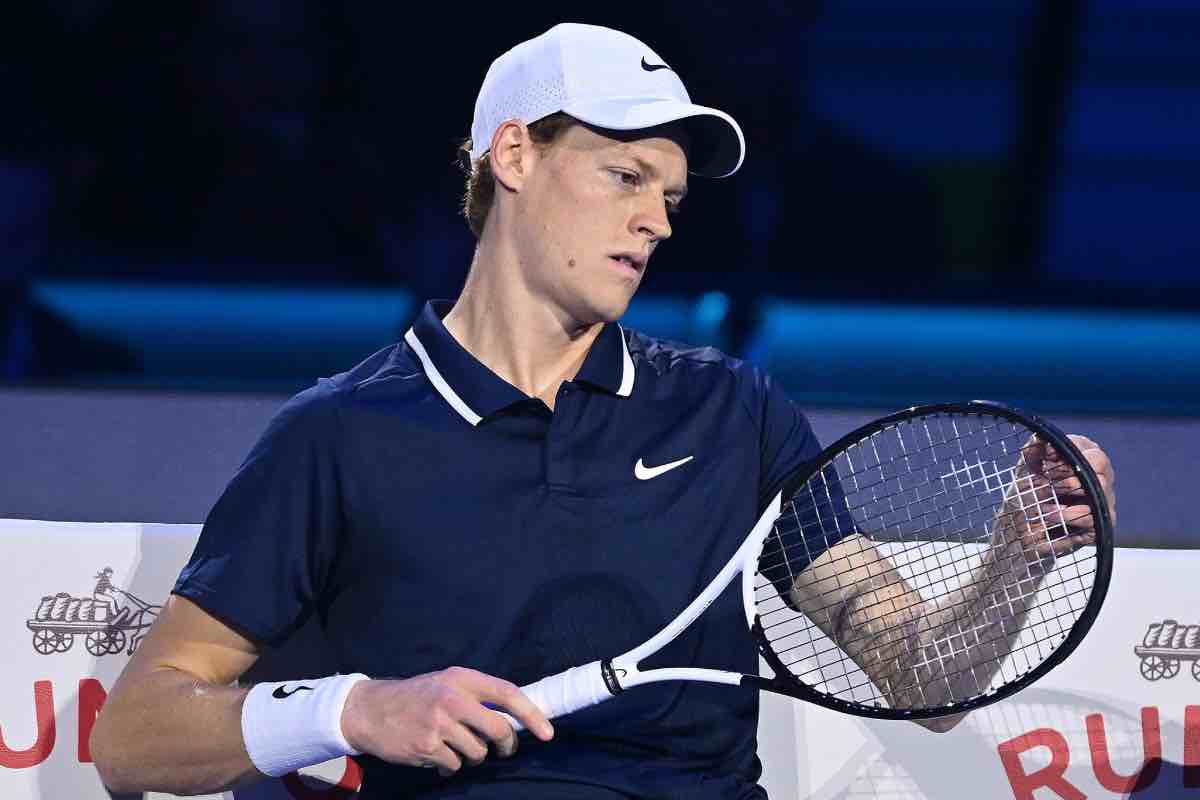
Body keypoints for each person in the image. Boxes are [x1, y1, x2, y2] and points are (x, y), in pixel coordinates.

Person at [89, 22, 1116, 800]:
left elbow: (918, 676)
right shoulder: (338, 434)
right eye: (624, 175)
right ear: (514, 156)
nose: (653, 220)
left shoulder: (730, 413)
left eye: (668, 196)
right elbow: (133, 735)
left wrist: (1017, 553)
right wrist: (356, 706)